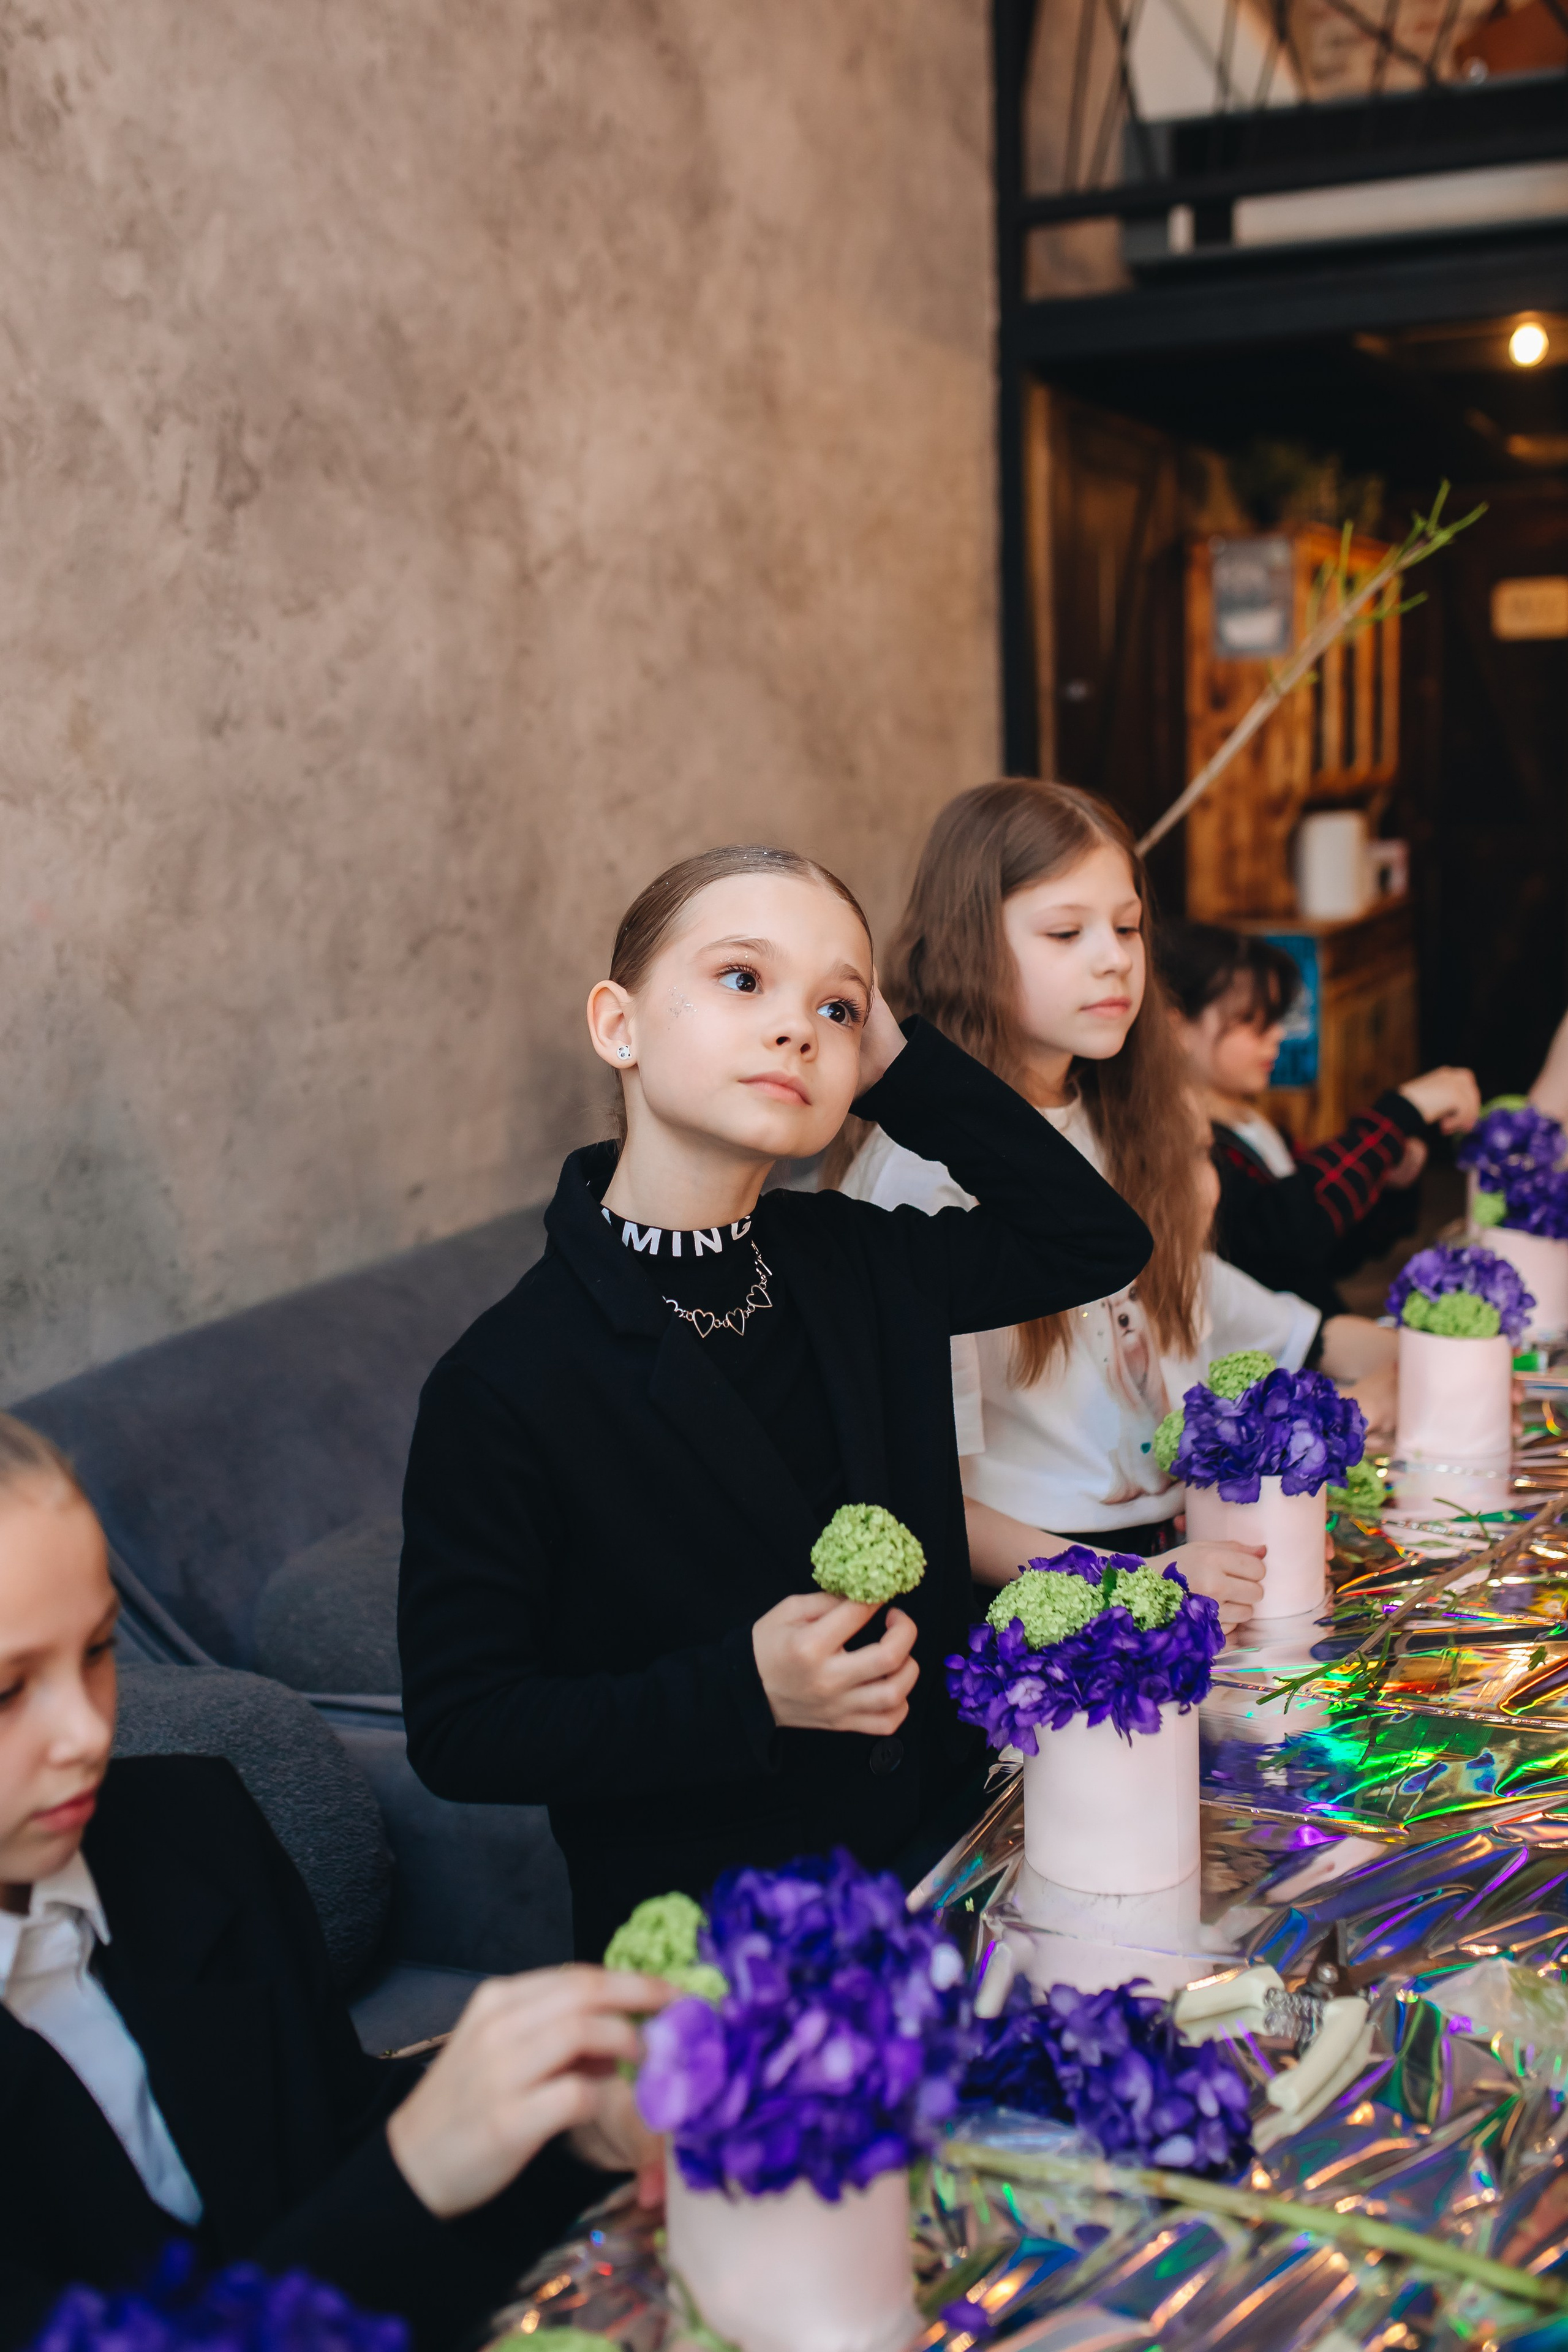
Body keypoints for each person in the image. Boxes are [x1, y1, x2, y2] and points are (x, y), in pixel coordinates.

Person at [398, 843, 1152, 1958]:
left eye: (838, 1008)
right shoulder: (508, 1379)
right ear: (620, 1026)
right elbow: (463, 1732)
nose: (797, 1027)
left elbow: (1096, 1239)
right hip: (730, 1947)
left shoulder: (852, 1259)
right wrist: (742, 1690)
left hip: (959, 1865)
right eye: (743, 981)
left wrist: (895, 1070)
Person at [0, 1413, 668, 2352]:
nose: (87, 1734)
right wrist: (413, 2171)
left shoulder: (192, 1826)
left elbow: (328, 2158)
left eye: (99, 1651)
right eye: (7, 1690)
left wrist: (562, 2135)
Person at [837, 783, 1398, 1627]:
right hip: (1041, 1590)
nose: (1115, 960)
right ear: (968, 945)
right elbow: (930, 1497)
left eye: (1128, 927)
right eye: (1067, 932)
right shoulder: (921, 1174)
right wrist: (1139, 1582)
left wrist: (1396, 1357)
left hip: (1179, 1546)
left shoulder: (1131, 1115)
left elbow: (1193, 1294)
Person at [1159, 920, 1480, 1320]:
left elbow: (1320, 1251)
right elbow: (1287, 1235)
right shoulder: (1185, 1145)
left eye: (1276, 1018)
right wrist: (1401, 1111)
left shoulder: (1251, 1122)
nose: (1276, 1035)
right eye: (1250, 1019)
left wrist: (1390, 1182)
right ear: (1175, 1029)